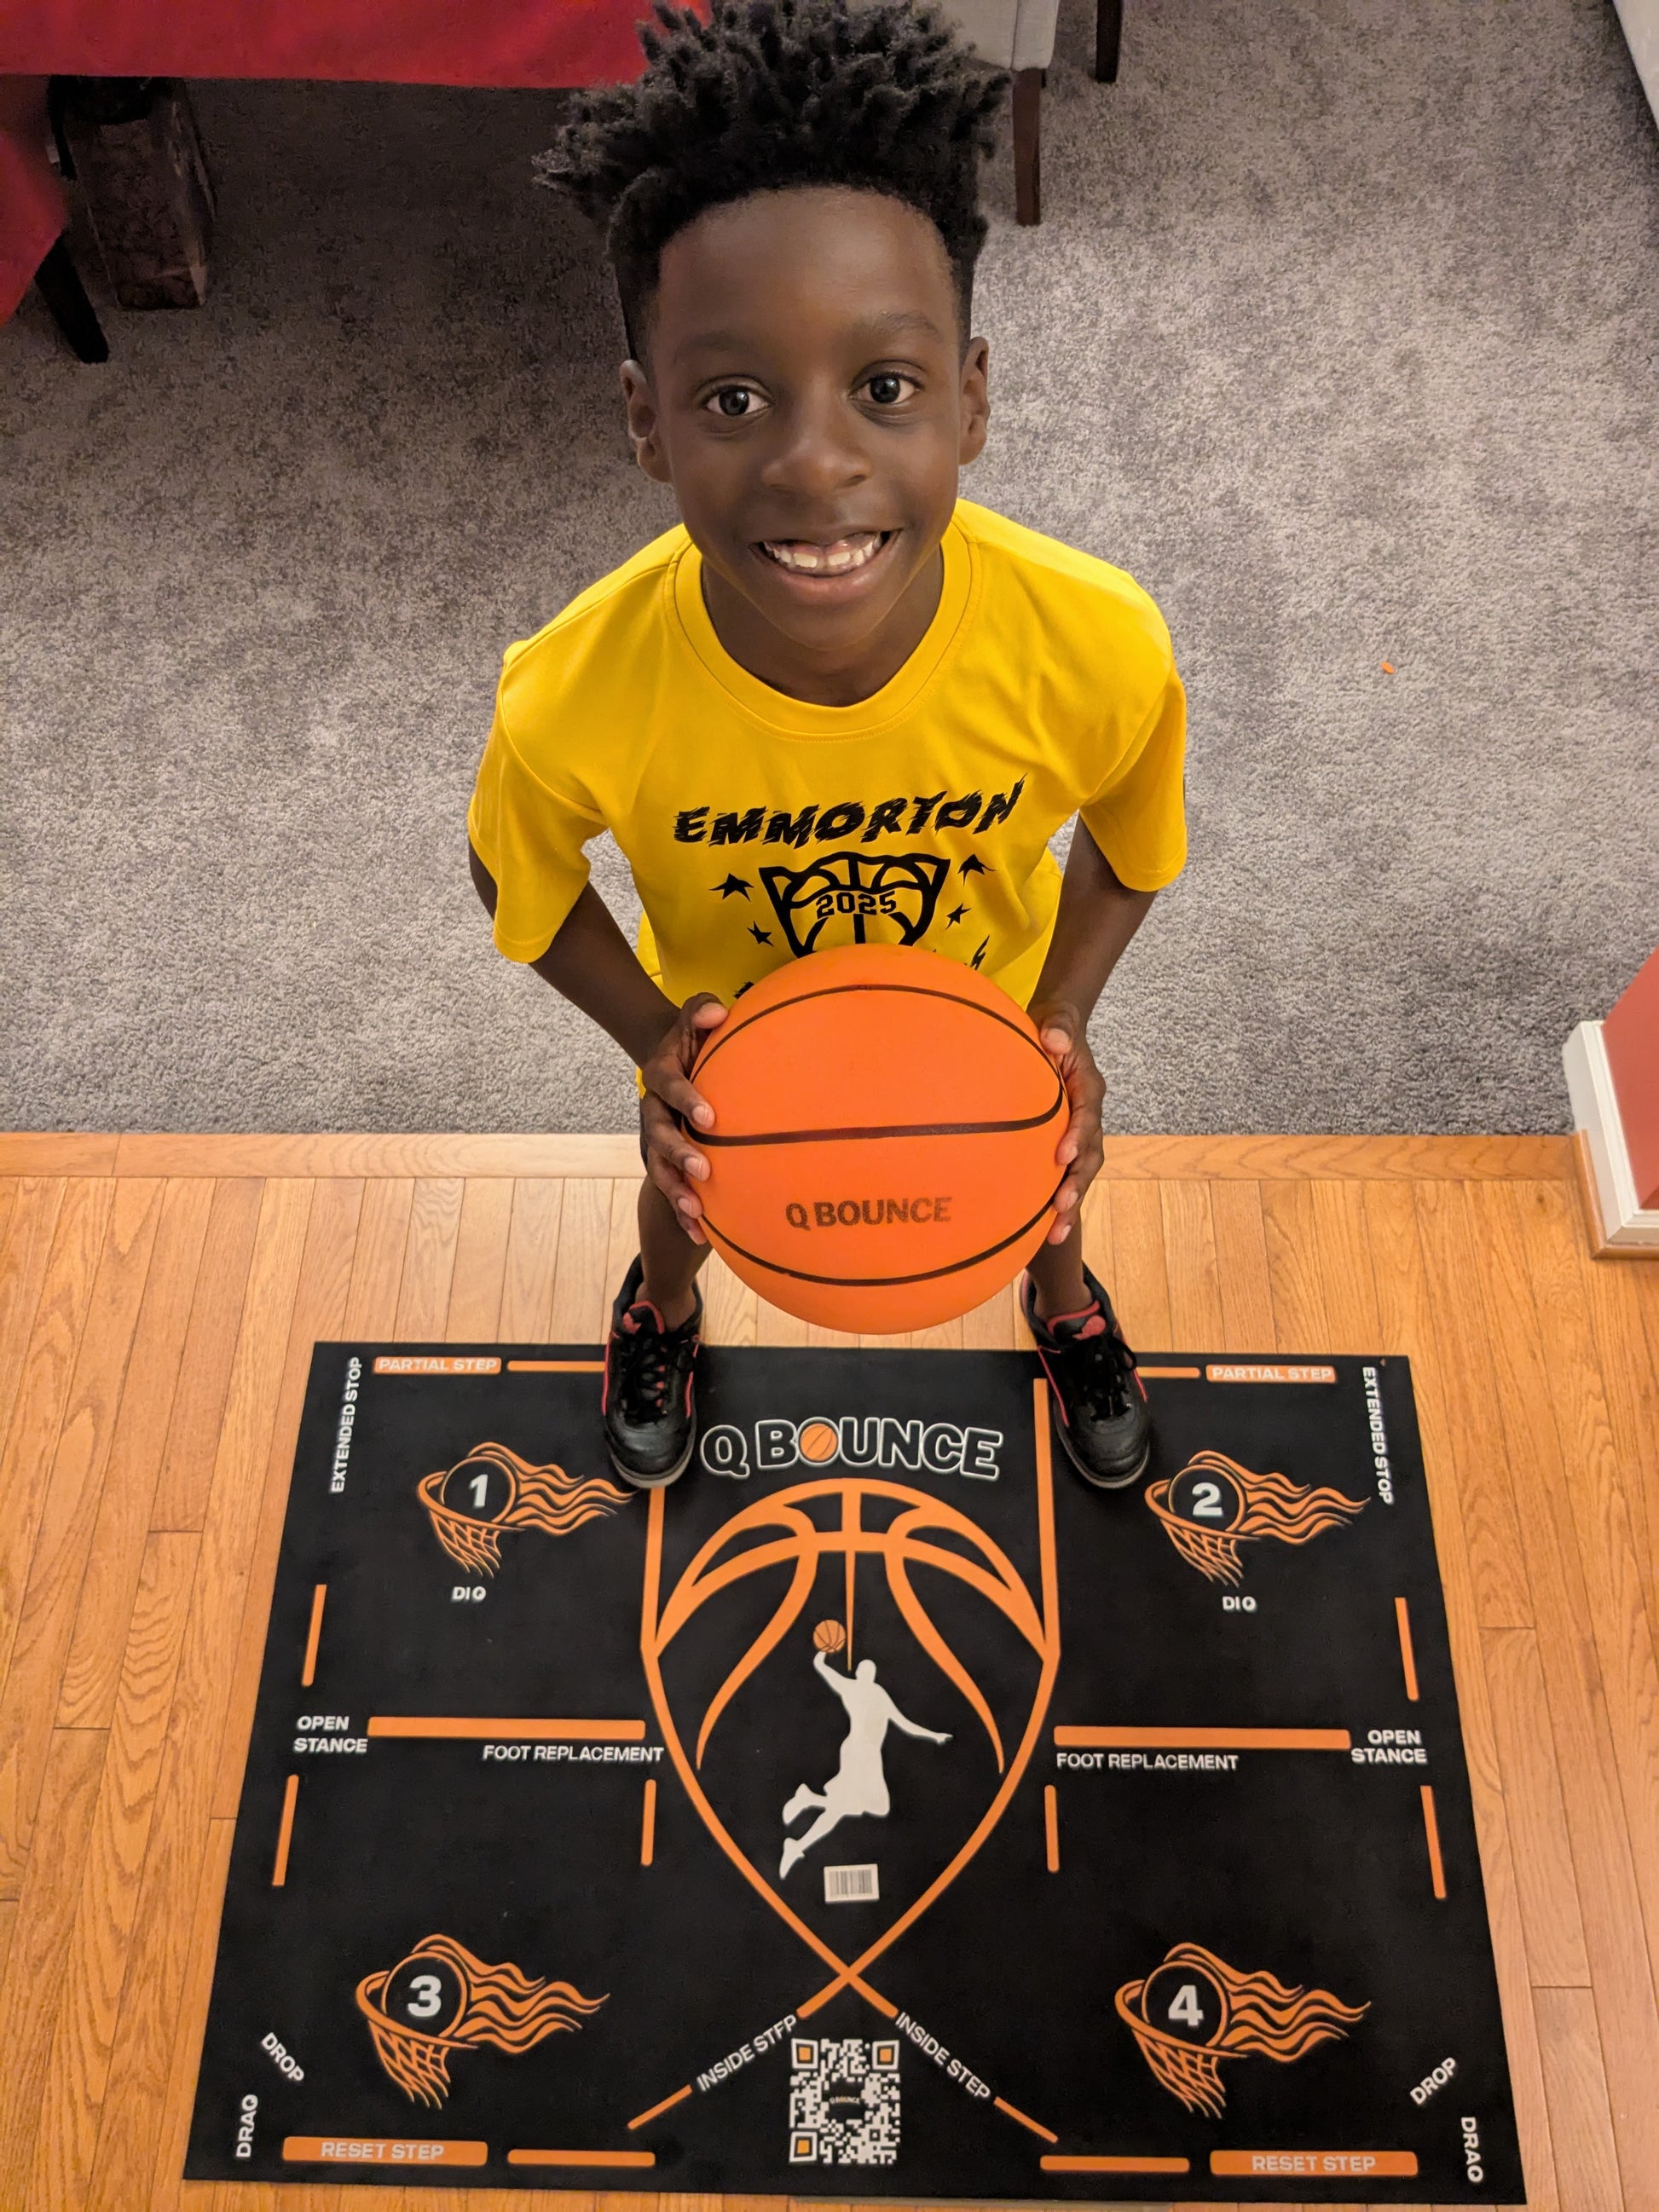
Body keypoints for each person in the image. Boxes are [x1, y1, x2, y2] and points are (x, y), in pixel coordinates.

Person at [467, 0, 1187, 1495]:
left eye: (884, 387)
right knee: (679, 1182)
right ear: (645, 421)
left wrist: (1055, 1034)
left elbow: (1132, 836)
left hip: (974, 1016)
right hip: (742, 1043)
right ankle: (658, 1309)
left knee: (1039, 1182)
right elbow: (513, 879)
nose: (816, 462)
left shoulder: (1096, 639)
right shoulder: (572, 690)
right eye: (733, 398)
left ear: (971, 398)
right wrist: (657, 1043)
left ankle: (1061, 1308)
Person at [780, 1651, 950, 1879]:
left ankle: (798, 1840)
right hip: (863, 1753)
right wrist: (933, 1735)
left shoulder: (854, 1689)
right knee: (877, 1807)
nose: (869, 1673)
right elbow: (904, 1723)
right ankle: (808, 1801)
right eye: (868, 1670)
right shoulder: (875, 1693)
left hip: (856, 1750)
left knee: (838, 1810)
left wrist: (821, 1656)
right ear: (866, 1674)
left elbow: (826, 1671)